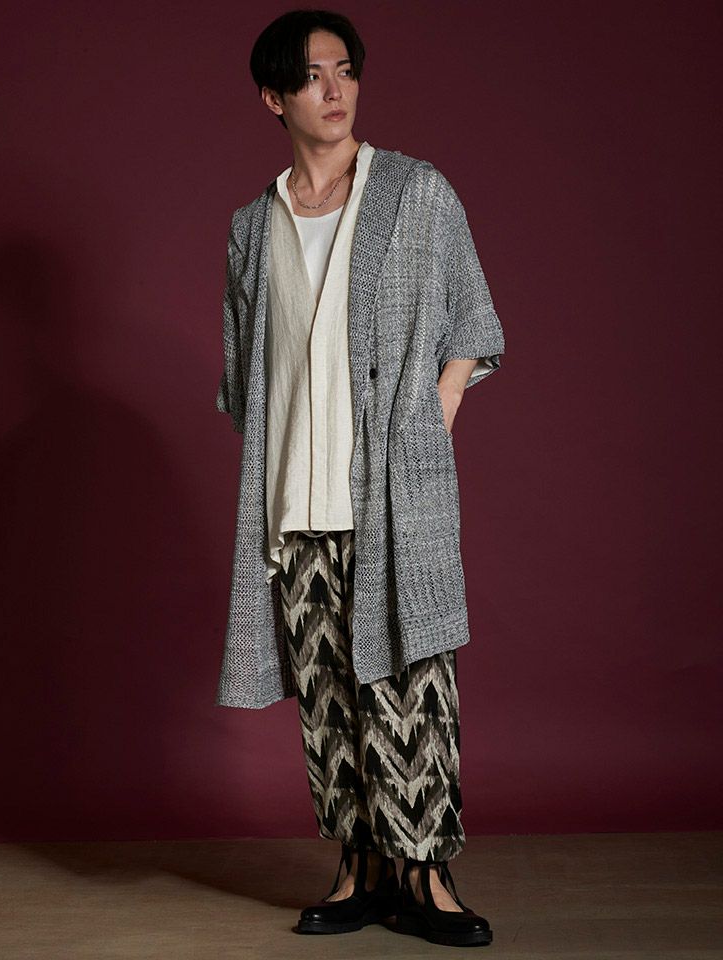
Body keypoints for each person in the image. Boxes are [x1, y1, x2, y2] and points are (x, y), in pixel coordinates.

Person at [214, 8, 505, 949]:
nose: (334, 90)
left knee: (412, 687)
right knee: (328, 698)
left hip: (392, 495)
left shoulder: (415, 193)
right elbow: (246, 378)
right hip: (295, 505)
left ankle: (426, 876)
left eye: (345, 69)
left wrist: (427, 422)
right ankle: (361, 868)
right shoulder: (252, 227)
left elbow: (473, 325)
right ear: (274, 98)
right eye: (311, 76)